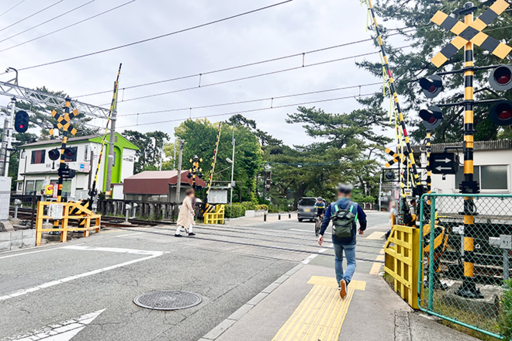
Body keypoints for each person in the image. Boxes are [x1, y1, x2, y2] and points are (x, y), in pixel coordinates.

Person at [318, 184, 367, 299]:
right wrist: (362, 229)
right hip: (350, 239)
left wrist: (321, 234)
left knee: (338, 259)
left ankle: (340, 284)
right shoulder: (355, 206)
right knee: (351, 262)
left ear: (339, 194)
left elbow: (325, 221)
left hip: (336, 238)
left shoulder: (333, 206)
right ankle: (346, 279)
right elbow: (363, 219)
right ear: (349, 194)